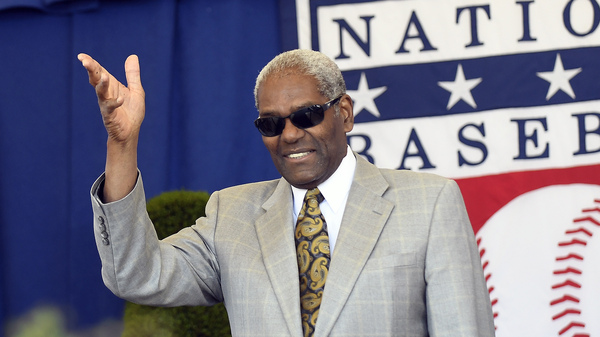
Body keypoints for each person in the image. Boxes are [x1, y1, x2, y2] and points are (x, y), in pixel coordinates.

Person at [78, 49, 495, 337]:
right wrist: (122, 143)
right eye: (271, 124)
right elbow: (134, 275)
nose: (290, 135)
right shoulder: (231, 214)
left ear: (344, 113)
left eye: (307, 116)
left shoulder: (429, 202)